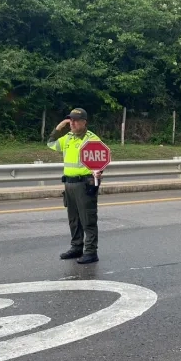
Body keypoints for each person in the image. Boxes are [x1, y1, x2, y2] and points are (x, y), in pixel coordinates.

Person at [47, 107, 104, 264]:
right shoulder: (68, 137)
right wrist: (59, 128)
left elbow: (101, 159)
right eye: (70, 120)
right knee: (74, 219)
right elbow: (51, 143)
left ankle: (91, 251)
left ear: (84, 122)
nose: (72, 123)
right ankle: (76, 247)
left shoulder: (92, 139)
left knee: (88, 219)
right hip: (70, 184)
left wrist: (98, 175)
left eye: (75, 120)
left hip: (85, 183)